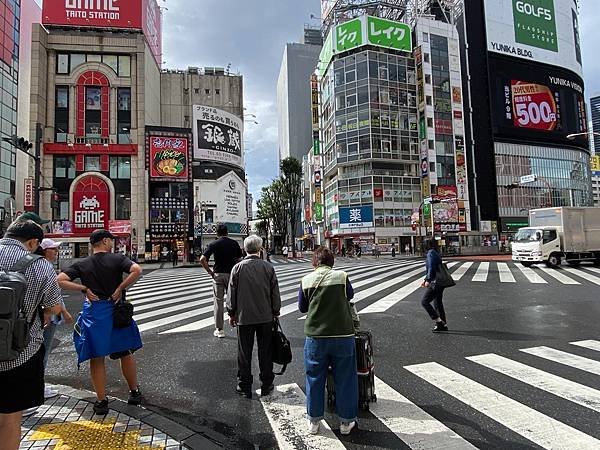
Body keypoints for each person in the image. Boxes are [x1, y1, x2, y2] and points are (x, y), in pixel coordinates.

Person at [57, 230, 143, 415]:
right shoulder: (117, 259)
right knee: (125, 352)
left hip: (94, 313)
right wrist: (120, 287)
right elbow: (137, 270)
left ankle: (101, 400)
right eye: (110, 240)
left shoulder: (82, 264)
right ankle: (134, 392)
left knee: (97, 357)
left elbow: (60, 280)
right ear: (105, 241)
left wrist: (84, 288)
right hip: (116, 311)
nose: (111, 243)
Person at [0, 221, 63, 450]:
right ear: (34, 242)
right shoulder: (41, 266)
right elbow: (54, 307)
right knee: (10, 419)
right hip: (20, 352)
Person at [298, 247, 358, 436]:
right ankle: (346, 422)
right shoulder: (341, 276)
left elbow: (302, 307)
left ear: (314, 262)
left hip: (316, 336)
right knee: (345, 378)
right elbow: (350, 295)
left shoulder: (306, 280)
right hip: (342, 335)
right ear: (332, 262)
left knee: (314, 378)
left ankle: (314, 421)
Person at [227, 235, 281, 399]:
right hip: (265, 317)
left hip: (244, 317)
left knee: (244, 352)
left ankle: (244, 386)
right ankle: (266, 384)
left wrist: (231, 313)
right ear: (260, 249)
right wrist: (275, 311)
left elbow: (231, 294)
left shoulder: (237, 268)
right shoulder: (268, 267)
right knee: (266, 352)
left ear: (244, 249)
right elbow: (275, 293)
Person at [35, 239, 74, 400]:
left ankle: (39, 384)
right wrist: (64, 313)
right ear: (44, 250)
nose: (56, 252)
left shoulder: (43, 266)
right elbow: (54, 297)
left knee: (41, 350)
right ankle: (38, 387)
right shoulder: (45, 267)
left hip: (48, 314)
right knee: (42, 351)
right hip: (48, 316)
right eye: (53, 249)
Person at [200, 224, 242, 338]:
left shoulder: (214, 244)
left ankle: (220, 330)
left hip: (218, 275)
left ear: (217, 233)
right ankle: (238, 323)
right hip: (232, 275)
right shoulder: (234, 243)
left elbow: (202, 259)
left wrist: (210, 272)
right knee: (234, 299)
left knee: (218, 302)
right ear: (227, 232)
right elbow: (240, 259)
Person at [421, 238, 448, 332]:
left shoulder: (431, 253)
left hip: (435, 282)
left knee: (424, 302)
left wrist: (428, 279)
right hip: (441, 281)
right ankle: (443, 324)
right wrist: (425, 279)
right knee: (438, 303)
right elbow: (434, 268)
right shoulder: (435, 251)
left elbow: (431, 267)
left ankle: (439, 321)